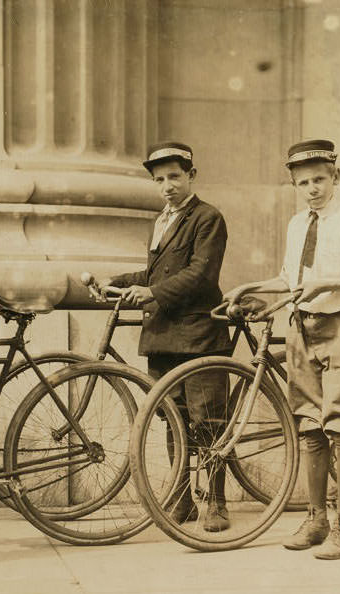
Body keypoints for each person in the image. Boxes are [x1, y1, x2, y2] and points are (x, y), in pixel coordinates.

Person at [225, 139, 340, 559]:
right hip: (301, 331)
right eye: (303, 182)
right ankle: (316, 520)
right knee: (311, 428)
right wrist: (250, 286)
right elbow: (289, 279)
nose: (312, 188)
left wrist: (328, 284)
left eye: (319, 179)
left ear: (335, 178)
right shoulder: (297, 224)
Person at [99, 141, 231, 532]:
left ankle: (217, 502)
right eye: (159, 179)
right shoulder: (162, 220)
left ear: (192, 175)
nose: (168, 185)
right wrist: (117, 283)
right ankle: (182, 497)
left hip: (198, 333)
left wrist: (153, 293)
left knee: (209, 422)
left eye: (175, 176)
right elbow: (156, 274)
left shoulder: (208, 217)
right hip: (163, 336)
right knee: (175, 421)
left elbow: (200, 275)